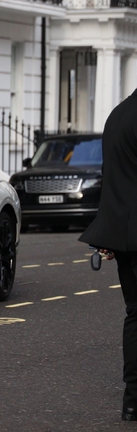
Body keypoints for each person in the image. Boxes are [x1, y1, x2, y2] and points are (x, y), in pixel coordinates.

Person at [79, 88, 137, 421]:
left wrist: (107, 232)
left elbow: (112, 180)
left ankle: (132, 401)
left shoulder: (117, 115)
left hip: (124, 236)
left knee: (135, 314)